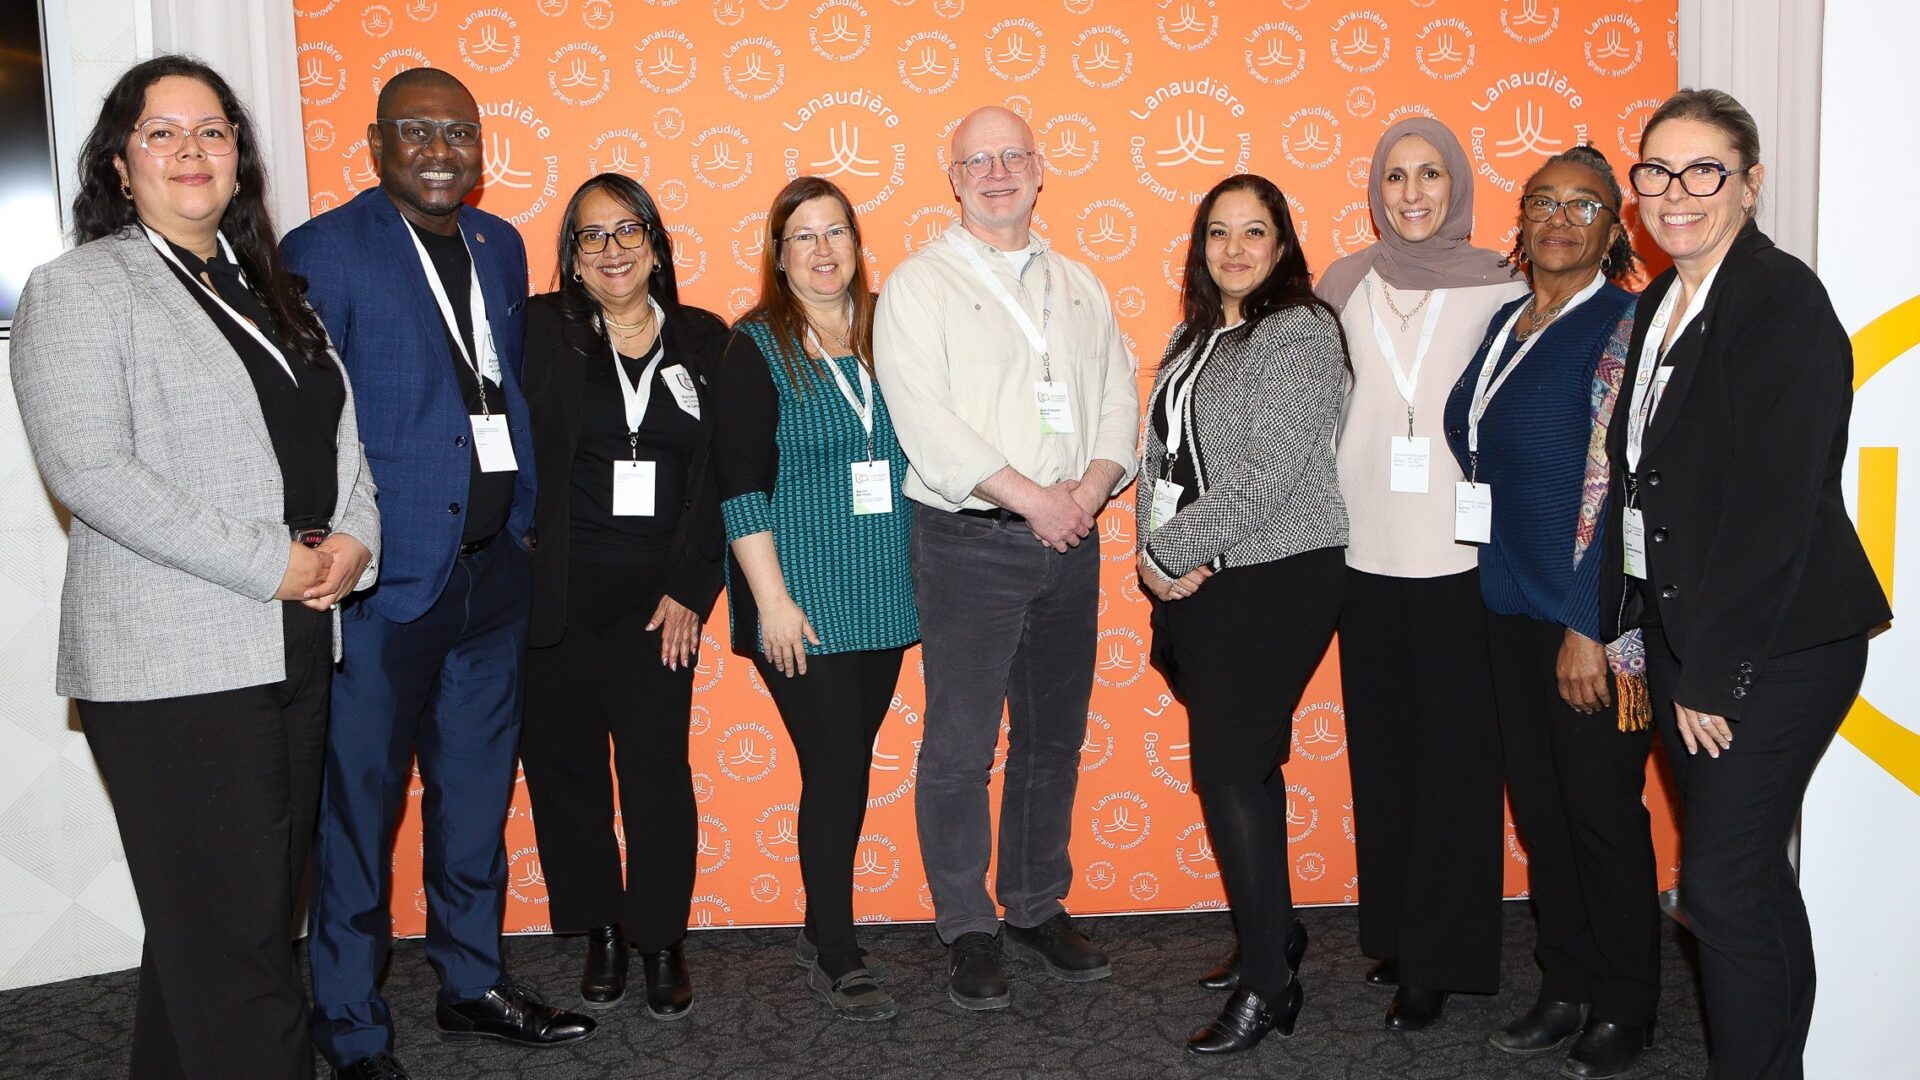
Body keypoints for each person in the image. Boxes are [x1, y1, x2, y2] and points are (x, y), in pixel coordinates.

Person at [9, 55, 378, 1078]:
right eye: (161, 132)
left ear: (238, 161)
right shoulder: (79, 288)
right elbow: (90, 470)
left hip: (295, 639)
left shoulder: (272, 292)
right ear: (120, 165)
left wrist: (356, 540)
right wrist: (275, 564)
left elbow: (339, 442)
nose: (190, 150)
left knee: (228, 930)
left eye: (211, 130)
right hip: (174, 663)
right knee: (243, 953)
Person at [282, 68, 593, 1080]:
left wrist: (530, 525)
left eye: (458, 131)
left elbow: (500, 385)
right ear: (377, 144)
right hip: (381, 591)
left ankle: (471, 987)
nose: (440, 149)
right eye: (416, 130)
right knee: (359, 816)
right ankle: (349, 1021)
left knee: (473, 803)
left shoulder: (501, 245)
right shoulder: (322, 252)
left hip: (493, 578)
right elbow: (300, 424)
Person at [1599, 88, 1889, 1080]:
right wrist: (1630, 629)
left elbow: (1774, 506)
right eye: (1657, 172)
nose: (1676, 193)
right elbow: (1649, 487)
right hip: (1691, 635)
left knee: (1719, 889)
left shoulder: (1778, 300)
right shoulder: (1658, 304)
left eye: (1703, 171)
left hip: (1776, 646)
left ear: (1749, 183)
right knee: (1750, 882)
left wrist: (1712, 674)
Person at [873, 106, 1139, 1010]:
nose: (995, 173)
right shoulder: (919, 285)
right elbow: (927, 424)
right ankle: (968, 926)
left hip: (1073, 540)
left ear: (1040, 167)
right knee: (959, 746)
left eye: (1011, 156)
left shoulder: (1081, 284)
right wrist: (1039, 501)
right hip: (968, 543)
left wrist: (1089, 493)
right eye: (975, 161)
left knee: (1052, 740)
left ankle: (1032, 905)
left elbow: (1115, 399)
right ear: (952, 179)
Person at [1441, 146, 1657, 1079]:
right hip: (1507, 609)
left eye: (1584, 205)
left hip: (1591, 624)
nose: (1560, 219)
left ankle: (1627, 1002)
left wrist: (1589, 624)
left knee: (1602, 814)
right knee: (1542, 811)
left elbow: (1627, 491)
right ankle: (1566, 981)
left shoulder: (1628, 326)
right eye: (1543, 203)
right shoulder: (1504, 324)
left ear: (1615, 229)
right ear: (1520, 223)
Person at [1316, 117, 1527, 1031]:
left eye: (1430, 174)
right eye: (1395, 176)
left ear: (1458, 184)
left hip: (1459, 561)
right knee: (1385, 758)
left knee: (1457, 767)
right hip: (1363, 555)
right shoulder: (1340, 287)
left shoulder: (1504, 288)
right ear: (1376, 187)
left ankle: (1443, 961)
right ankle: (1399, 934)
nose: (1411, 193)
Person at [1135, 175, 1348, 1055]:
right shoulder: (1195, 337)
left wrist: (1176, 552)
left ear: (1282, 244)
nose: (1234, 249)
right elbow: (1159, 458)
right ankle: (1277, 934)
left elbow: (1273, 476)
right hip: (1205, 572)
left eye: (1254, 232)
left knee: (1227, 769)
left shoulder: (1298, 331)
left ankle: (1270, 986)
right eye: (1218, 232)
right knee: (1249, 766)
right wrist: (1151, 554)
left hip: (1279, 573)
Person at [518, 174, 727, 1018]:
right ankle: (599, 928)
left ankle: (660, 939)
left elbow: (726, 478)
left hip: (658, 610)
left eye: (628, 229)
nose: (613, 249)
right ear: (570, 259)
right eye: (591, 236)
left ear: (656, 242)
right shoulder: (540, 331)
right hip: (554, 597)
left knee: (655, 779)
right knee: (564, 775)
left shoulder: (708, 342)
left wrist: (692, 587)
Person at [712, 176, 918, 1021]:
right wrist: (772, 604)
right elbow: (738, 488)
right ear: (778, 254)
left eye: (837, 232)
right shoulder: (755, 346)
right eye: (804, 236)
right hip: (800, 600)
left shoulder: (889, 335)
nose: (825, 250)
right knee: (834, 770)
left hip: (885, 595)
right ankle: (836, 949)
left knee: (850, 766)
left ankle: (816, 923)